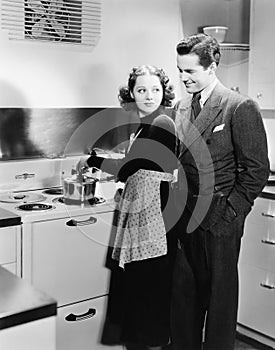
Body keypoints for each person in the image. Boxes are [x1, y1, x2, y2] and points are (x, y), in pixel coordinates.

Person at [171, 33, 270, 350]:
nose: (183, 78)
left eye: (190, 72)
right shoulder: (182, 106)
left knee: (220, 304)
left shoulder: (239, 107)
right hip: (186, 218)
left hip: (219, 221)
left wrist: (231, 214)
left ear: (212, 66)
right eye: (180, 70)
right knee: (183, 299)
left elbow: (257, 170)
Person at [77, 65, 179, 350]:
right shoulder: (148, 124)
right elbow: (134, 165)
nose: (149, 96)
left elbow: (129, 167)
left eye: (155, 90)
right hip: (144, 209)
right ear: (132, 93)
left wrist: (95, 161)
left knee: (148, 289)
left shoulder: (162, 123)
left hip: (155, 213)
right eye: (142, 90)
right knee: (139, 288)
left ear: (164, 93)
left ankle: (145, 343)